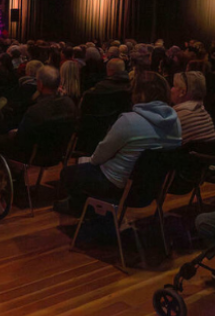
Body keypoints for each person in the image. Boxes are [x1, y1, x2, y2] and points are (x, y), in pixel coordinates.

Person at [55, 72, 182, 215]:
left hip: (118, 186)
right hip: (151, 190)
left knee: (68, 173)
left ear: (138, 93)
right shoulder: (175, 121)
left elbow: (98, 157)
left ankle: (86, 209)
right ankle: (90, 209)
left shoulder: (129, 120)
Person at [171, 71, 215, 145]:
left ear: (182, 92)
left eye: (174, 86)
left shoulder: (177, 118)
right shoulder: (203, 113)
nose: (171, 90)